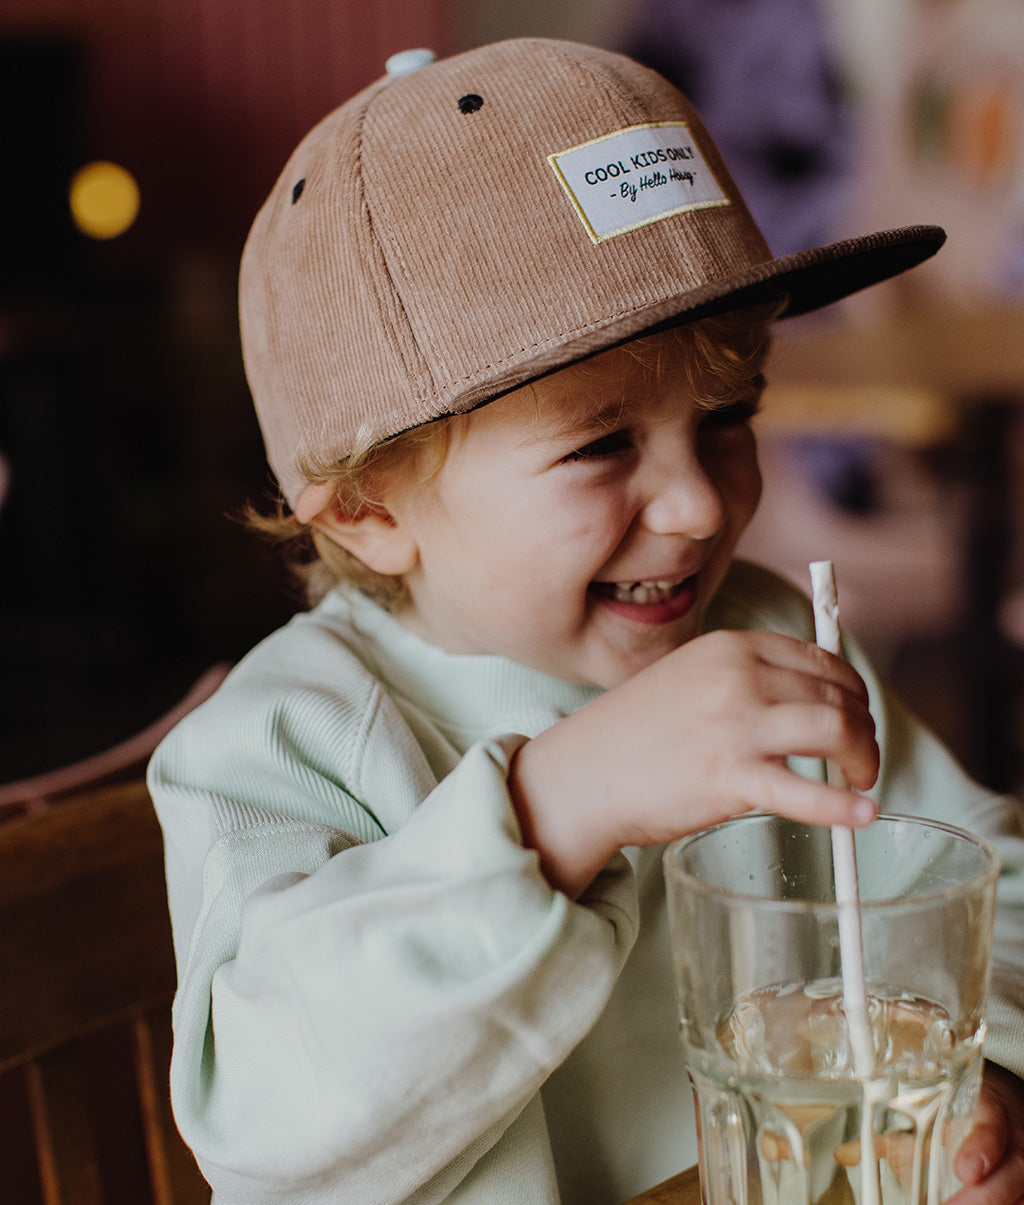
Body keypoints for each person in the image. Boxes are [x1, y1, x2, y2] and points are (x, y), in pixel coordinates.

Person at [148, 39, 1024, 1205]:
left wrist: (989, 1067)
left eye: (728, 413)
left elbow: (981, 877)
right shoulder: (275, 746)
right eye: (600, 443)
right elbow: (266, 1124)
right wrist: (559, 802)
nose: (703, 501)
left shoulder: (768, 633)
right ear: (367, 509)